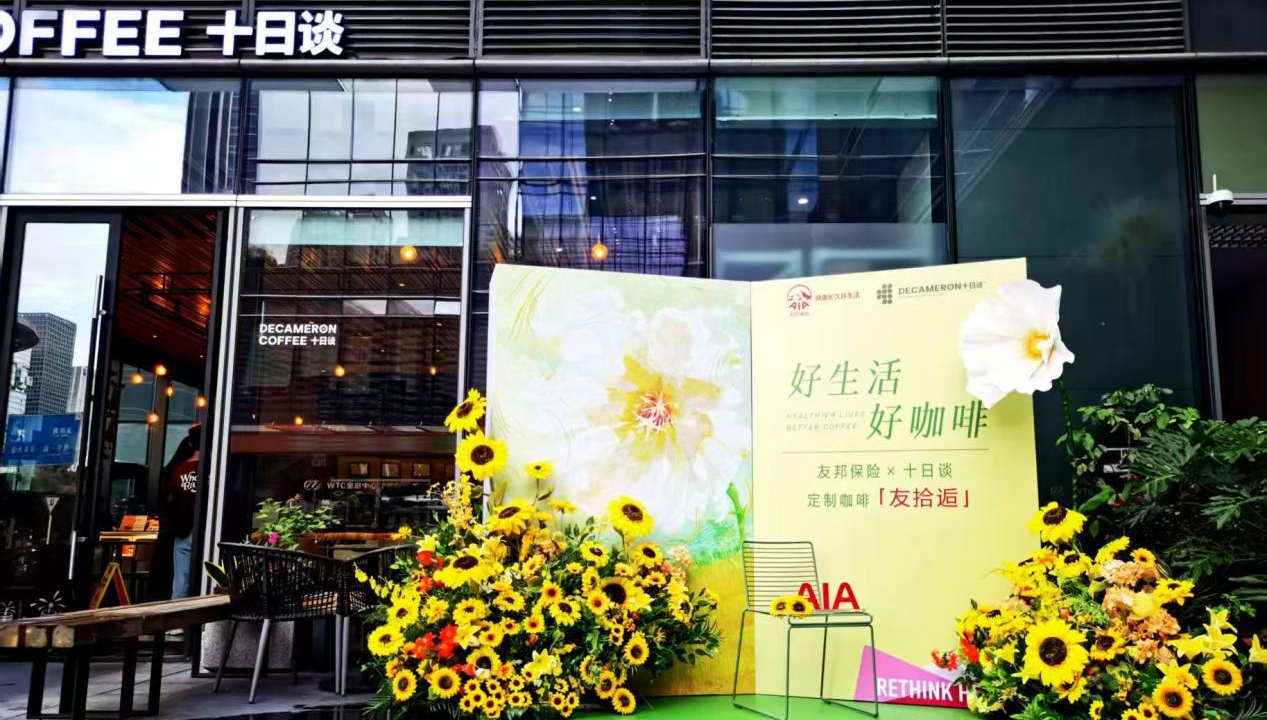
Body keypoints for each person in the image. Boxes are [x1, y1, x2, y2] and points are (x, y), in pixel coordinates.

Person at [162, 425, 201, 600]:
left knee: (181, 580)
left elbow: (169, 499)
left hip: (183, 529)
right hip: (205, 530)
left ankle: (177, 614)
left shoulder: (178, 470)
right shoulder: (213, 468)